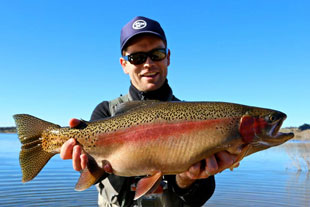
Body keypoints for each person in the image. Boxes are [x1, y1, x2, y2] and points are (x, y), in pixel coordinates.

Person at [60, 16, 237, 207]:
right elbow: (95, 176)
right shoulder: (106, 112)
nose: (147, 63)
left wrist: (187, 180)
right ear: (124, 64)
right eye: (137, 57)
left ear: (168, 57)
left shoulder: (195, 118)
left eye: (157, 54)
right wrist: (87, 167)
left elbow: (199, 197)